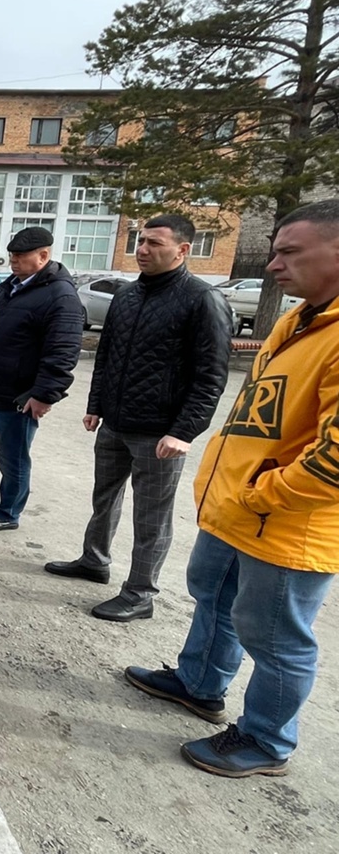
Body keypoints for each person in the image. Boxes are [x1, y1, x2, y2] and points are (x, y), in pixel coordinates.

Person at [124, 200, 339, 777]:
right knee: (213, 598)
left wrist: (264, 494)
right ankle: (199, 683)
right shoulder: (299, 322)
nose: (272, 266)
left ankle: (268, 742)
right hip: (239, 508)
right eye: (273, 252)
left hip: (288, 524)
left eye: (289, 253)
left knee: (274, 637)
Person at [44, 214, 232, 620]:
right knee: (104, 497)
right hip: (115, 422)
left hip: (160, 433)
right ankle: (94, 560)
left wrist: (184, 431)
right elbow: (106, 357)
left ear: (183, 250)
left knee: (152, 515)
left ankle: (140, 592)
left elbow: (211, 375)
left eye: (154, 244)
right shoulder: (127, 296)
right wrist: (96, 404)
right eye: (140, 241)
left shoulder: (202, 299)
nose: (142, 250)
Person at [0, 227, 83, 532]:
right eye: (12, 256)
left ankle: (8, 512)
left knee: (12, 457)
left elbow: (62, 352)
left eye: (21, 256)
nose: (14, 261)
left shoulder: (60, 296)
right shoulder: (11, 286)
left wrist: (45, 394)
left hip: (20, 396)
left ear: (44, 256)